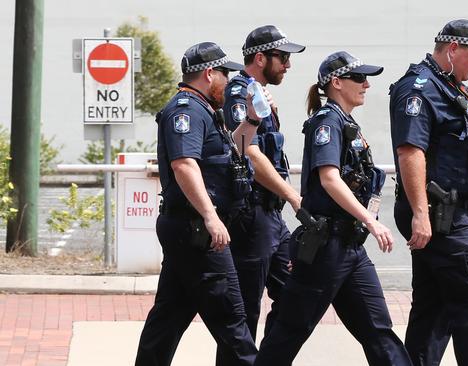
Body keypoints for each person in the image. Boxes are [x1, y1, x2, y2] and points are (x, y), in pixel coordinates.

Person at [254, 51, 412, 366]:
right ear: (336, 83)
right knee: (289, 332)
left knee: (379, 332)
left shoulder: (346, 123)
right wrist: (371, 221)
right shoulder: (327, 122)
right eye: (359, 78)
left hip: (350, 248)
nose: (367, 85)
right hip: (325, 249)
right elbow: (329, 179)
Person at [389, 19, 468, 366]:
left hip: (447, 210)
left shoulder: (450, 87)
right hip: (438, 213)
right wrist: (421, 214)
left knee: (436, 305)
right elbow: (409, 152)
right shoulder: (419, 89)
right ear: (453, 50)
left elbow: (466, 150)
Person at [134, 42, 265, 366]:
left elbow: (233, 149)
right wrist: (210, 216)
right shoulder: (186, 110)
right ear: (209, 73)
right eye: (225, 73)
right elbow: (184, 164)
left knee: (167, 320)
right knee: (233, 321)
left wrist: (251, 118)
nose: (229, 80)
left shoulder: (205, 108)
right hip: (196, 230)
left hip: (189, 229)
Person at [217, 25, 305, 365]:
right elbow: (248, 150)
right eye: (282, 57)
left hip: (271, 217)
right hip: (251, 216)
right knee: (244, 313)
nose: (288, 65)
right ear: (260, 57)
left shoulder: (258, 92)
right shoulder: (239, 94)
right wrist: (294, 196)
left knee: (293, 294)